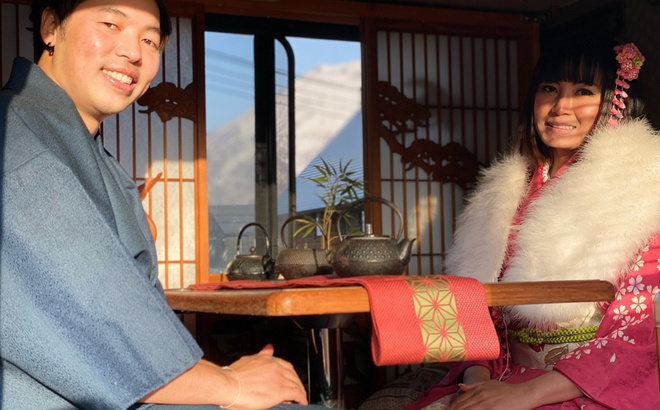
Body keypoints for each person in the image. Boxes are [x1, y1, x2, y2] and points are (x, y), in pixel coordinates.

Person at [0, 1, 321, 409]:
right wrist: (231, 384)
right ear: (51, 27)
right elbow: (94, 321)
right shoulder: (16, 135)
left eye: (149, 40)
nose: (132, 51)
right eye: (110, 23)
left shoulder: (82, 151)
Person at [405, 37, 659, 409]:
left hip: (583, 388)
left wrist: (528, 394)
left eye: (583, 91)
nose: (560, 107)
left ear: (616, 100)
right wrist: (477, 382)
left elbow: (639, 323)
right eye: (550, 88)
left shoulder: (646, 187)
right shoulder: (506, 191)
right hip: (499, 376)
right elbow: (474, 308)